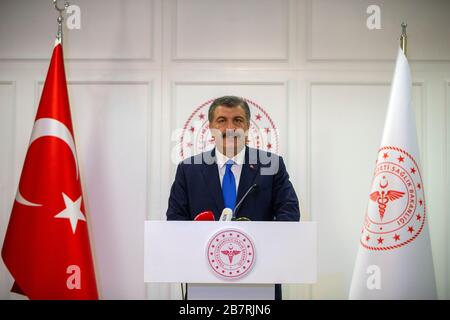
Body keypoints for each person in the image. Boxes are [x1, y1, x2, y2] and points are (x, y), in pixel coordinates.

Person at [166, 95, 300, 299]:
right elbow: (175, 220)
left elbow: (289, 214)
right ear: (210, 127)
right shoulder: (188, 169)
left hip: (259, 277)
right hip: (204, 278)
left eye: (237, 120)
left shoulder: (270, 165)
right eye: (222, 120)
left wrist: (266, 249)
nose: (230, 127)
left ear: (247, 127)